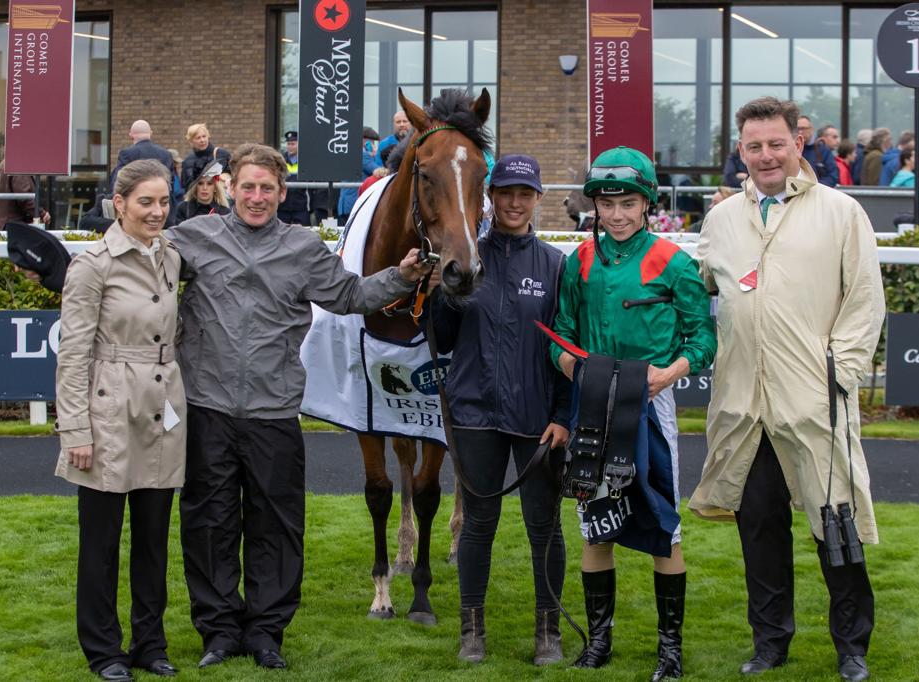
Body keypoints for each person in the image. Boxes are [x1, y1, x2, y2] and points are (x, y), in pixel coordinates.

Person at [166, 143, 431, 671]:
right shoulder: (191, 238)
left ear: (282, 194)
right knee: (210, 525)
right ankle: (218, 632)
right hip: (208, 408)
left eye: (268, 188)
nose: (257, 197)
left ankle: (266, 633)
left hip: (274, 412)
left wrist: (401, 276)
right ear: (229, 189)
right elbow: (136, 260)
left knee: (276, 526)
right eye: (248, 187)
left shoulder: (304, 247)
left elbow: (350, 296)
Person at [690, 96, 884, 682]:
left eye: (777, 143)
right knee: (760, 528)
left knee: (836, 526)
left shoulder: (842, 212)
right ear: (741, 152)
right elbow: (697, 298)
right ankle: (770, 643)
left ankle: (852, 647)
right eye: (755, 146)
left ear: (798, 144)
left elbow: (865, 302)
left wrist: (840, 371)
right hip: (745, 406)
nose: (767, 155)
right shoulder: (721, 220)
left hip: (814, 401)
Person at [549, 147, 716, 681]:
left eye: (628, 204)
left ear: (647, 204)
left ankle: (670, 650)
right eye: (607, 204)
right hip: (592, 406)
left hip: (651, 406)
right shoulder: (578, 262)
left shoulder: (675, 261)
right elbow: (561, 335)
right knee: (595, 528)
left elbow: (704, 336)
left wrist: (670, 373)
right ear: (594, 205)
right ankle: (599, 642)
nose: (617, 215)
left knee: (664, 527)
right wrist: (574, 367)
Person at [430, 154, 570, 667]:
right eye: (505, 192)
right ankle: (472, 630)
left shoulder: (556, 267)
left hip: (538, 419)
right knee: (478, 524)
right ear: (490, 196)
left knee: (545, 526)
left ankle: (548, 632)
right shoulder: (467, 257)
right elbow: (442, 339)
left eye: (524, 193)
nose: (514, 202)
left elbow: (567, 351)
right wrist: (445, 293)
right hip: (473, 413)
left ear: (538, 198)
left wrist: (563, 415)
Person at [54, 159, 185, 682]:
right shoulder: (92, 265)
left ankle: (150, 644)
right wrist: (75, 431)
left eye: (164, 201)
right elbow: (73, 353)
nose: (157, 212)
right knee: (102, 542)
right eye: (146, 202)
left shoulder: (172, 257)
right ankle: (104, 650)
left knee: (154, 539)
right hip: (108, 409)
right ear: (120, 204)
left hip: (163, 407)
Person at [110, 120, 175, 190]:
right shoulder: (166, 154)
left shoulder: (126, 154)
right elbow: (171, 183)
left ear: (131, 135)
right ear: (151, 133)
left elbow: (119, 182)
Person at [336, 127, 382, 225]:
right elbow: (379, 173)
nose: (374, 146)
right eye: (372, 142)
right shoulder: (362, 154)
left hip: (345, 204)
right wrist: (376, 155)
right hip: (355, 203)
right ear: (365, 141)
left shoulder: (348, 152)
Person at [0, 157, 50, 229]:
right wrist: (42, 213)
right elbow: (24, 198)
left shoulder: (4, 164)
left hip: (2, 224)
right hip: (14, 225)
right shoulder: (18, 166)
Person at [181, 123, 231, 189]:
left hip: (219, 198)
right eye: (198, 138)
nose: (202, 140)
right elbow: (186, 187)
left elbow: (233, 176)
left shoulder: (221, 154)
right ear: (191, 141)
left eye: (204, 136)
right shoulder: (187, 162)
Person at [797, 115, 839, 187]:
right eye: (797, 129)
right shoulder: (791, 150)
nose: (800, 131)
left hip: (818, 194)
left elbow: (833, 176)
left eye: (803, 128)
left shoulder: (823, 150)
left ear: (811, 129)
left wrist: (813, 187)